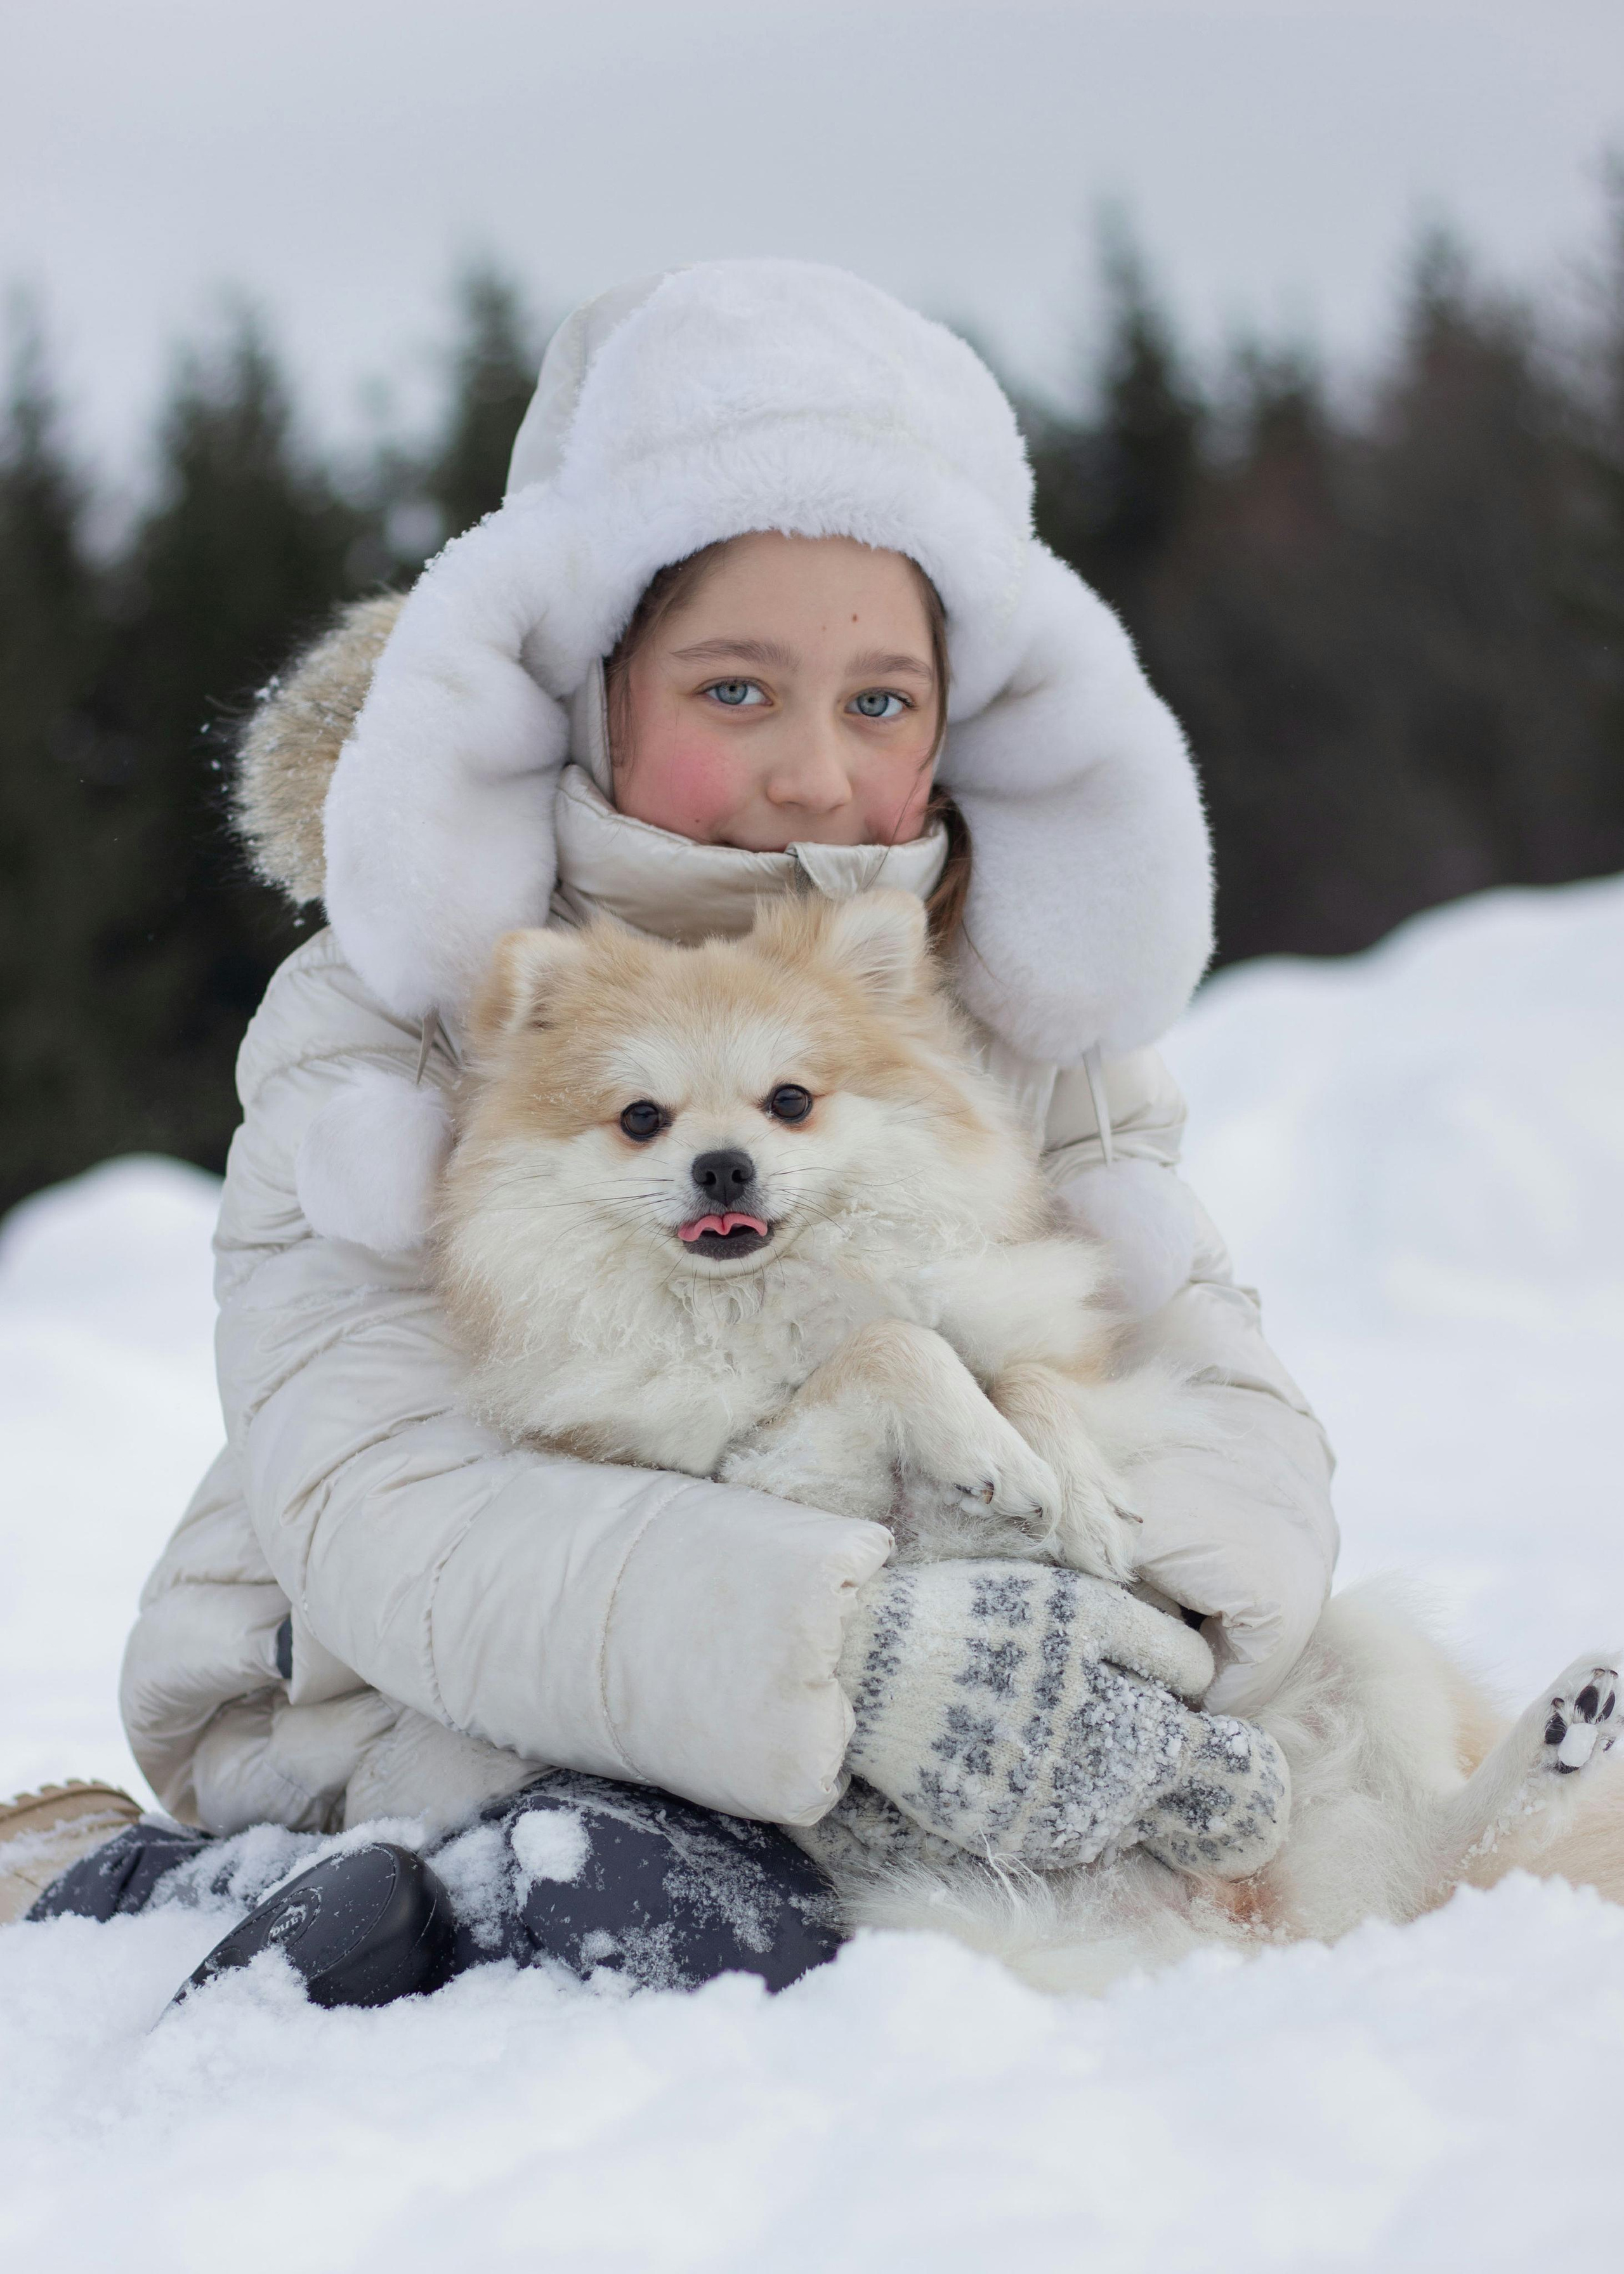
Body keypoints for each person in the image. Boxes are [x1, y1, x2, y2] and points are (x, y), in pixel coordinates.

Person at [0, 263, 1334, 1999]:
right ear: (591, 689)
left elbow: (1232, 1407)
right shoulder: (405, 1011)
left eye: (879, 701)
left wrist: (1135, 1637)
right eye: (735, 691)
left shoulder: (1013, 1013)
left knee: (1261, 1780)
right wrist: (847, 1654)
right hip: (400, 1679)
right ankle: (178, 1891)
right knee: (655, 1868)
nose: (813, 771)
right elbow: (390, 1507)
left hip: (887, 1672)